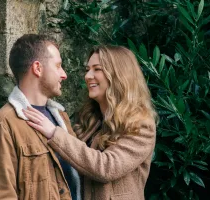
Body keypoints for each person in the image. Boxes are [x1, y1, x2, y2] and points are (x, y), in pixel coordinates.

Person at [23, 45, 157, 200]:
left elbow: (107, 168)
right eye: (88, 69)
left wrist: (54, 133)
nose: (88, 76)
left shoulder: (141, 125)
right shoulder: (89, 119)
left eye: (97, 69)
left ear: (119, 75)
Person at [0, 34, 81, 200]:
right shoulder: (1, 127)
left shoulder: (61, 118)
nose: (64, 74)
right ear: (38, 68)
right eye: (58, 66)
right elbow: (0, 196)